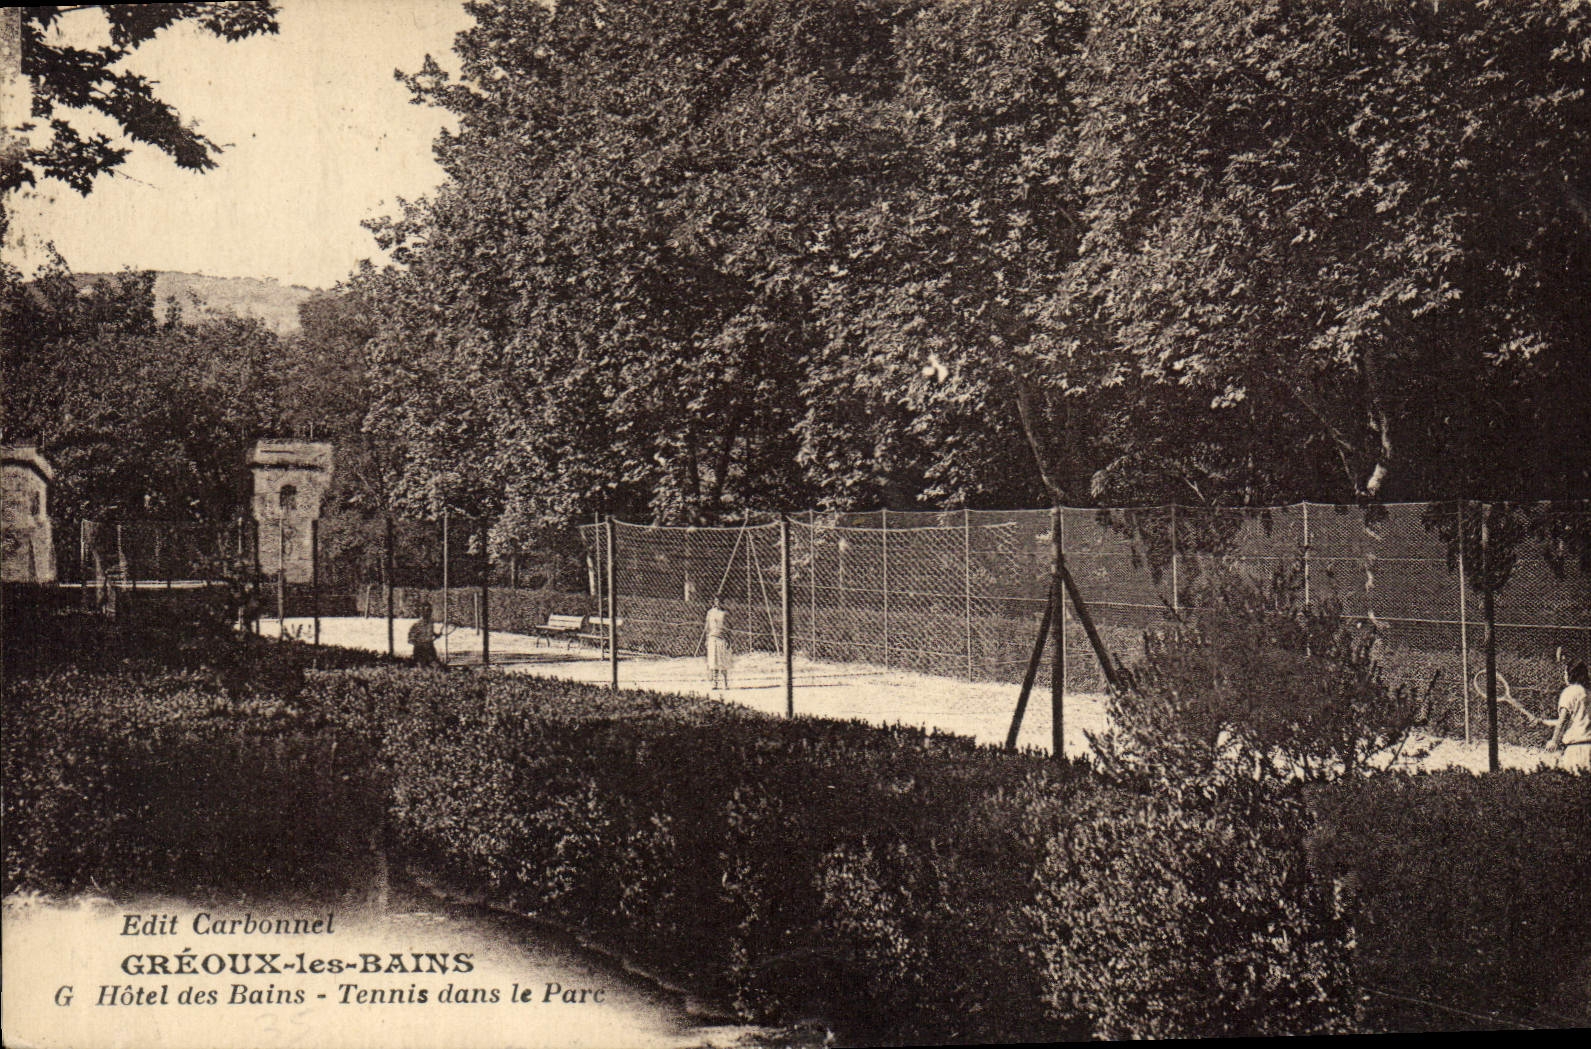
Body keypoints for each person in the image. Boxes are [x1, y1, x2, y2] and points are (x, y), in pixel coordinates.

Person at [1546, 661, 1590, 772]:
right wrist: (1543, 722)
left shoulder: (1570, 691)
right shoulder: (1588, 693)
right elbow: (1578, 720)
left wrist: (1554, 741)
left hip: (1576, 750)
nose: (1564, 676)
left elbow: (1563, 720)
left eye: (1565, 672)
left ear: (1572, 674)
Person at [705, 600, 732, 690]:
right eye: (716, 601)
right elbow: (707, 627)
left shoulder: (725, 613)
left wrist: (729, 639)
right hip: (712, 638)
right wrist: (706, 639)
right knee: (713, 662)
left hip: (722, 639)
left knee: (723, 662)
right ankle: (715, 683)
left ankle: (725, 683)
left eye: (720, 601)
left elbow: (728, 628)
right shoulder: (710, 613)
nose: (718, 603)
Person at [408, 600, 441, 667]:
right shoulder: (417, 625)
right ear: (422, 612)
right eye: (427, 611)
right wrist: (420, 644)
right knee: (422, 667)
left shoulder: (431, 623)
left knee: (435, 666)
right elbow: (410, 639)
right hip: (420, 650)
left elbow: (431, 632)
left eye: (430, 610)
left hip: (430, 647)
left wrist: (436, 635)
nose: (429, 613)